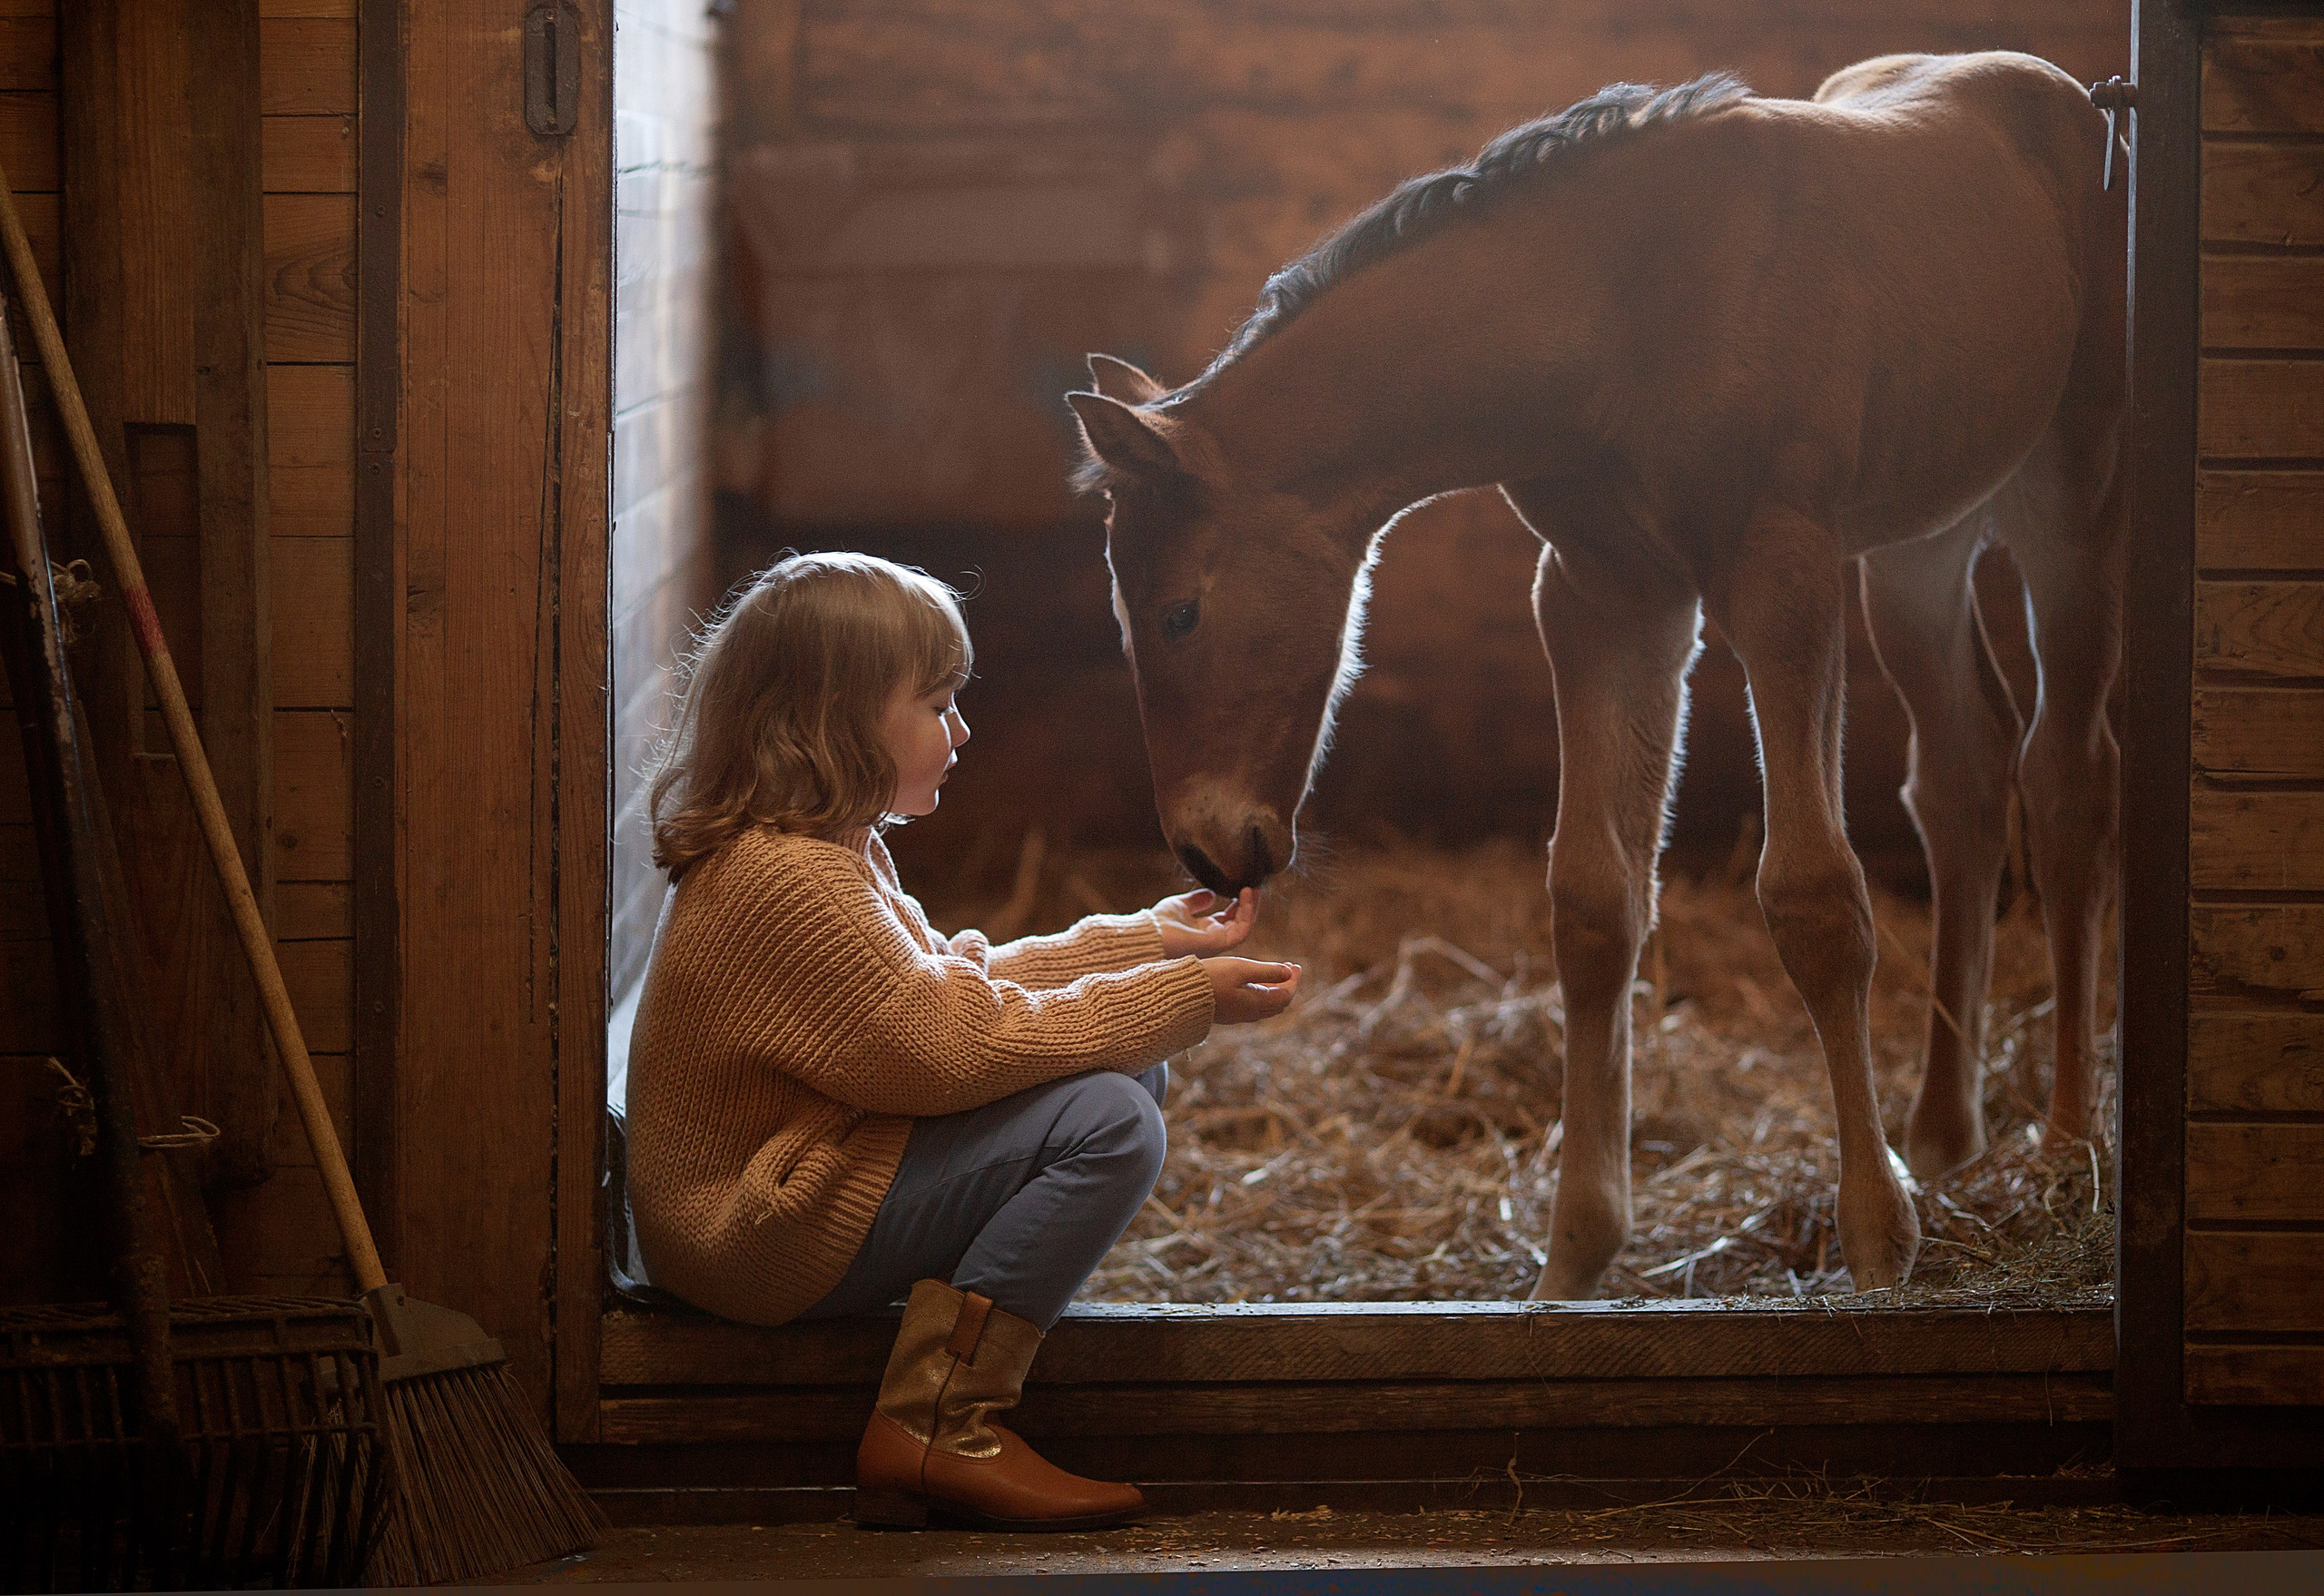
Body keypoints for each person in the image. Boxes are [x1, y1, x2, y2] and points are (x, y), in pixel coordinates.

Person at [625, 551, 1299, 1532]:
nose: (961, 729)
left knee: (1120, 1067)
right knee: (1108, 1118)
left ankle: (950, 1389)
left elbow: (946, 982)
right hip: (758, 1231)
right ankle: (940, 1426)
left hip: (802, 1176)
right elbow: (947, 1048)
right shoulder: (785, 883)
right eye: (937, 704)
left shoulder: (822, 846)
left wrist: (1142, 940)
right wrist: (1182, 996)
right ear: (840, 718)